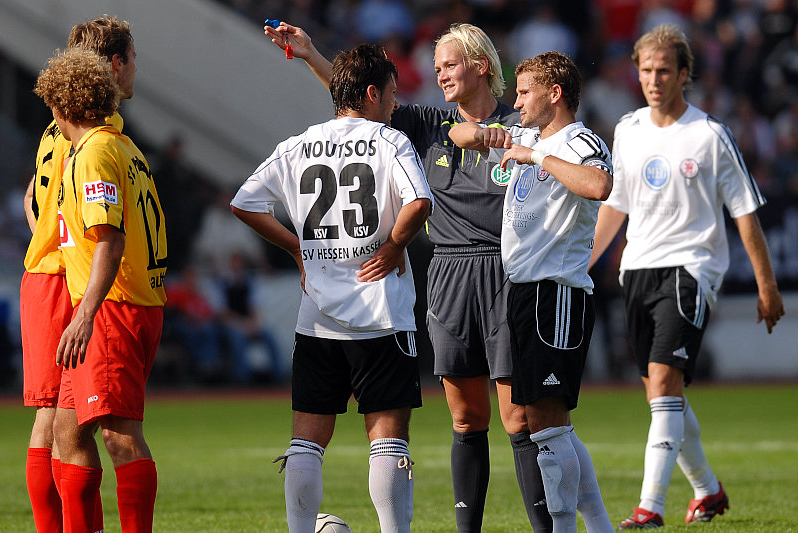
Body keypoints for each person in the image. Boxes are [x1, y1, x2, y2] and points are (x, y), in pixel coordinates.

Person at [265, 21, 553, 532]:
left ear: (481, 65)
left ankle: (546, 527)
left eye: (449, 64)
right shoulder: (425, 123)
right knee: (466, 417)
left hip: (509, 270)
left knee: (518, 417)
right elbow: (358, 98)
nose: (439, 74)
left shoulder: (522, 125)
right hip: (448, 271)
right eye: (436, 66)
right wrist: (310, 54)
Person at [589, 24, 785, 529]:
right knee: (663, 396)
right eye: (646, 70)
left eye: (663, 71)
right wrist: (582, 263)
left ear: (683, 75)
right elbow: (616, 206)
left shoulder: (709, 135)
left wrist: (766, 286)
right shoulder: (628, 129)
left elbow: (745, 214)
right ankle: (708, 490)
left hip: (691, 269)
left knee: (663, 383)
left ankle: (649, 508)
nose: (653, 80)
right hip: (637, 269)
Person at [230, 43, 432, 533]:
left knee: (307, 440)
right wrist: (394, 245)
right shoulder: (389, 141)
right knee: (388, 439)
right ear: (372, 93)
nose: (394, 104)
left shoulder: (299, 144)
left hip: (317, 318)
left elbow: (244, 203)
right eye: (391, 94)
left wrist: (297, 249)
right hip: (381, 312)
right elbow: (419, 202)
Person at [448, 51, 615, 533]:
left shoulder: (578, 140)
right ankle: (600, 527)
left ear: (554, 93)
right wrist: (488, 136)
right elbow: (459, 134)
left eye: (524, 92)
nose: (516, 103)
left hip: (555, 294)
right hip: (524, 293)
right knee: (548, 422)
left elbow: (599, 185)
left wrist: (538, 156)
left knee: (546, 424)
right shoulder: (527, 136)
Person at [33, 46, 167, 533]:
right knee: (66, 432)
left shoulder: (92, 154)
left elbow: (110, 239)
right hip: (123, 301)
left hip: (112, 306)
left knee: (119, 434)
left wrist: (85, 315)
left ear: (59, 104)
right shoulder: (122, 146)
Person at [21, 15, 136, 533]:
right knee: (59, 420)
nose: (135, 70)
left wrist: (45, 233)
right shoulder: (90, 135)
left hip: (46, 270)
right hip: (60, 277)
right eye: (132, 59)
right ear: (113, 64)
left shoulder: (57, 126)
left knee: (62, 420)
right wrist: (65, 246)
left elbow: (33, 196)